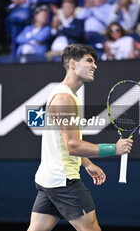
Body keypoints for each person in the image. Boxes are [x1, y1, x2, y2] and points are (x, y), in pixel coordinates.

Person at [27, 43, 133, 231]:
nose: (95, 66)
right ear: (73, 64)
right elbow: (72, 146)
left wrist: (87, 163)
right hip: (63, 181)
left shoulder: (64, 94)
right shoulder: (65, 99)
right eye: (89, 61)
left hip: (49, 178)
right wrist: (114, 148)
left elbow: (63, 141)